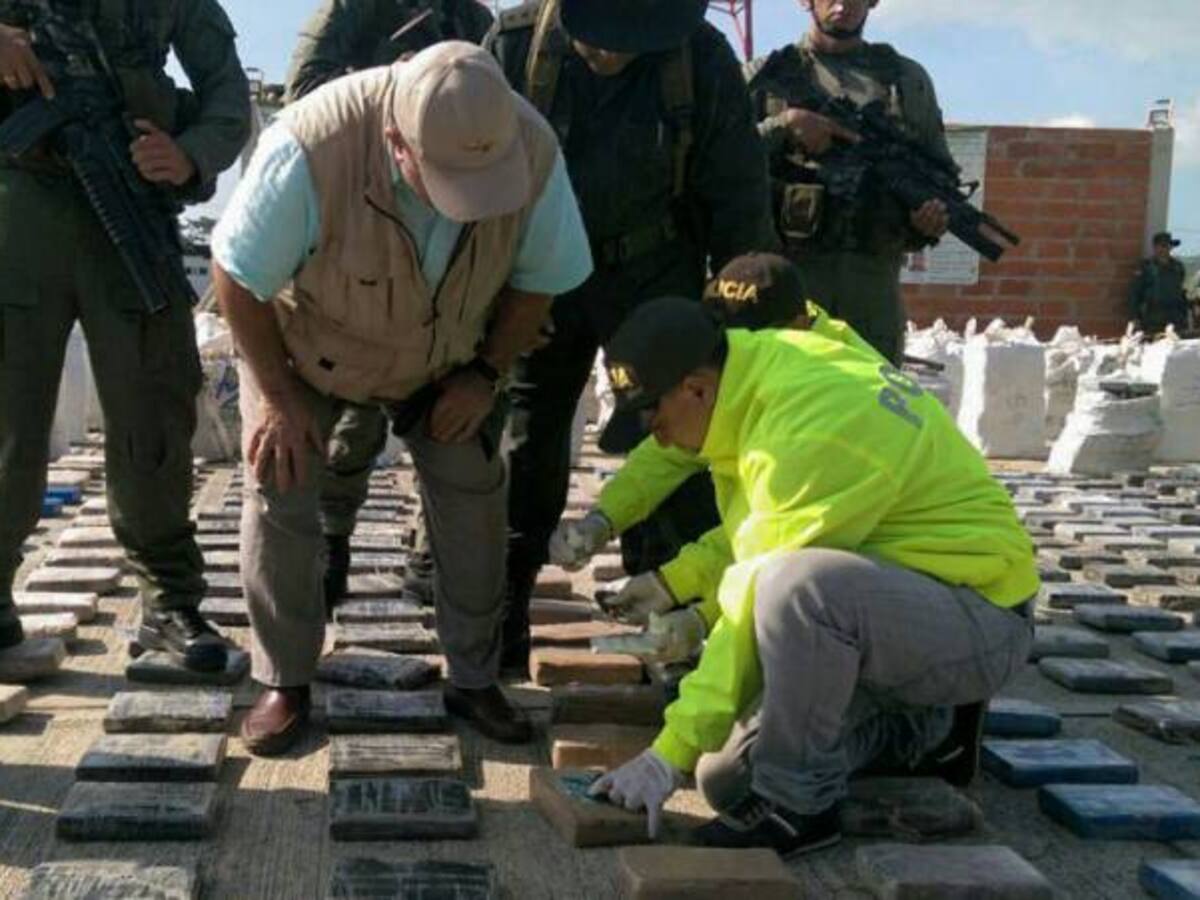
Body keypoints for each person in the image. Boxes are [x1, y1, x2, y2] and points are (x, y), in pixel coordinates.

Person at [211, 41, 591, 754]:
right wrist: (280, 398)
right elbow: (237, 274)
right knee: (280, 477)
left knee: (475, 489)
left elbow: (543, 276)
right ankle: (285, 679)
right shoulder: (315, 144)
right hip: (310, 350)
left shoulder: (531, 147)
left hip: (446, 359)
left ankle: (476, 678)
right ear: (395, 141)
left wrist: (483, 374)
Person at [586, 297, 1037, 856]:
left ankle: (802, 811)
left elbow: (759, 583)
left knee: (795, 590)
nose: (660, 440)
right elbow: (756, 530)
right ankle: (925, 726)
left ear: (696, 389)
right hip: (890, 601)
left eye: (657, 422)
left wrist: (667, 755)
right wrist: (670, 577)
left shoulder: (810, 426)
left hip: (978, 615)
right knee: (728, 779)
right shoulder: (755, 379)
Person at [488, 0, 778, 674]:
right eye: (599, 40)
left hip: (656, 272)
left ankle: (669, 620)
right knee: (526, 450)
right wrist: (501, 298)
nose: (612, 55)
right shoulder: (512, 47)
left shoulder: (697, 57)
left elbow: (738, 198)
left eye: (629, 43)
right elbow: (475, 190)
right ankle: (498, 627)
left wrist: (736, 329)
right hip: (541, 276)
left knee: (676, 439)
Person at [0, 0, 250, 668]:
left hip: (128, 197)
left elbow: (228, 94)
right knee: (7, 414)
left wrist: (190, 154)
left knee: (153, 410)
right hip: (19, 204)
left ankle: (170, 602)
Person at [550, 253, 881, 662]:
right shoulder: (751, 361)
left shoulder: (825, 397)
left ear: (796, 327)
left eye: (745, 341)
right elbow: (667, 453)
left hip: (874, 583)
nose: (730, 353)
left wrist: (699, 611)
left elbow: (776, 541)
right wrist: (605, 519)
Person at [285, 0, 497, 612]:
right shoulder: (350, 12)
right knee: (353, 405)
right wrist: (394, 89)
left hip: (454, 219)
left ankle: (437, 555)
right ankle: (331, 536)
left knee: (460, 404)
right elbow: (304, 95)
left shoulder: (472, 19)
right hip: (363, 209)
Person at [746, 0, 953, 364]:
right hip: (787, 284)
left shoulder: (905, 81)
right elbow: (719, 163)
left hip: (871, 289)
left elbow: (938, 176)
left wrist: (927, 221)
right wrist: (783, 125)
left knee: (871, 410)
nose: (842, 3)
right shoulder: (766, 76)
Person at [1128, 231, 1190, 335]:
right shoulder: (1146, 267)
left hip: (1175, 319)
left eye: (1168, 246)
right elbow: (1134, 293)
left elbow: (1180, 290)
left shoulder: (1178, 267)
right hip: (1152, 319)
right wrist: (1134, 317)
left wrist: (1185, 314)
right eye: (1163, 246)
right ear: (1155, 247)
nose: (1166, 249)